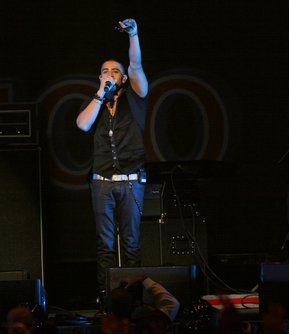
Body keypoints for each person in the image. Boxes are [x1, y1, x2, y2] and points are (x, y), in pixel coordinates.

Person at [76, 18, 149, 304]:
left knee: (131, 244)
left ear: (122, 78)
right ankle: (107, 297)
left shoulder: (136, 97)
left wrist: (133, 37)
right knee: (105, 245)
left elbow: (137, 66)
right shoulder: (94, 101)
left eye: (114, 71)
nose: (110, 73)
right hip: (102, 183)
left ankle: (131, 298)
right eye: (104, 71)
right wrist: (99, 93)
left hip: (132, 181)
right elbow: (82, 125)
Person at [102, 276, 180, 334]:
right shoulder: (152, 322)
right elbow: (173, 303)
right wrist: (143, 279)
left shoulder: (105, 327)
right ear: (134, 303)